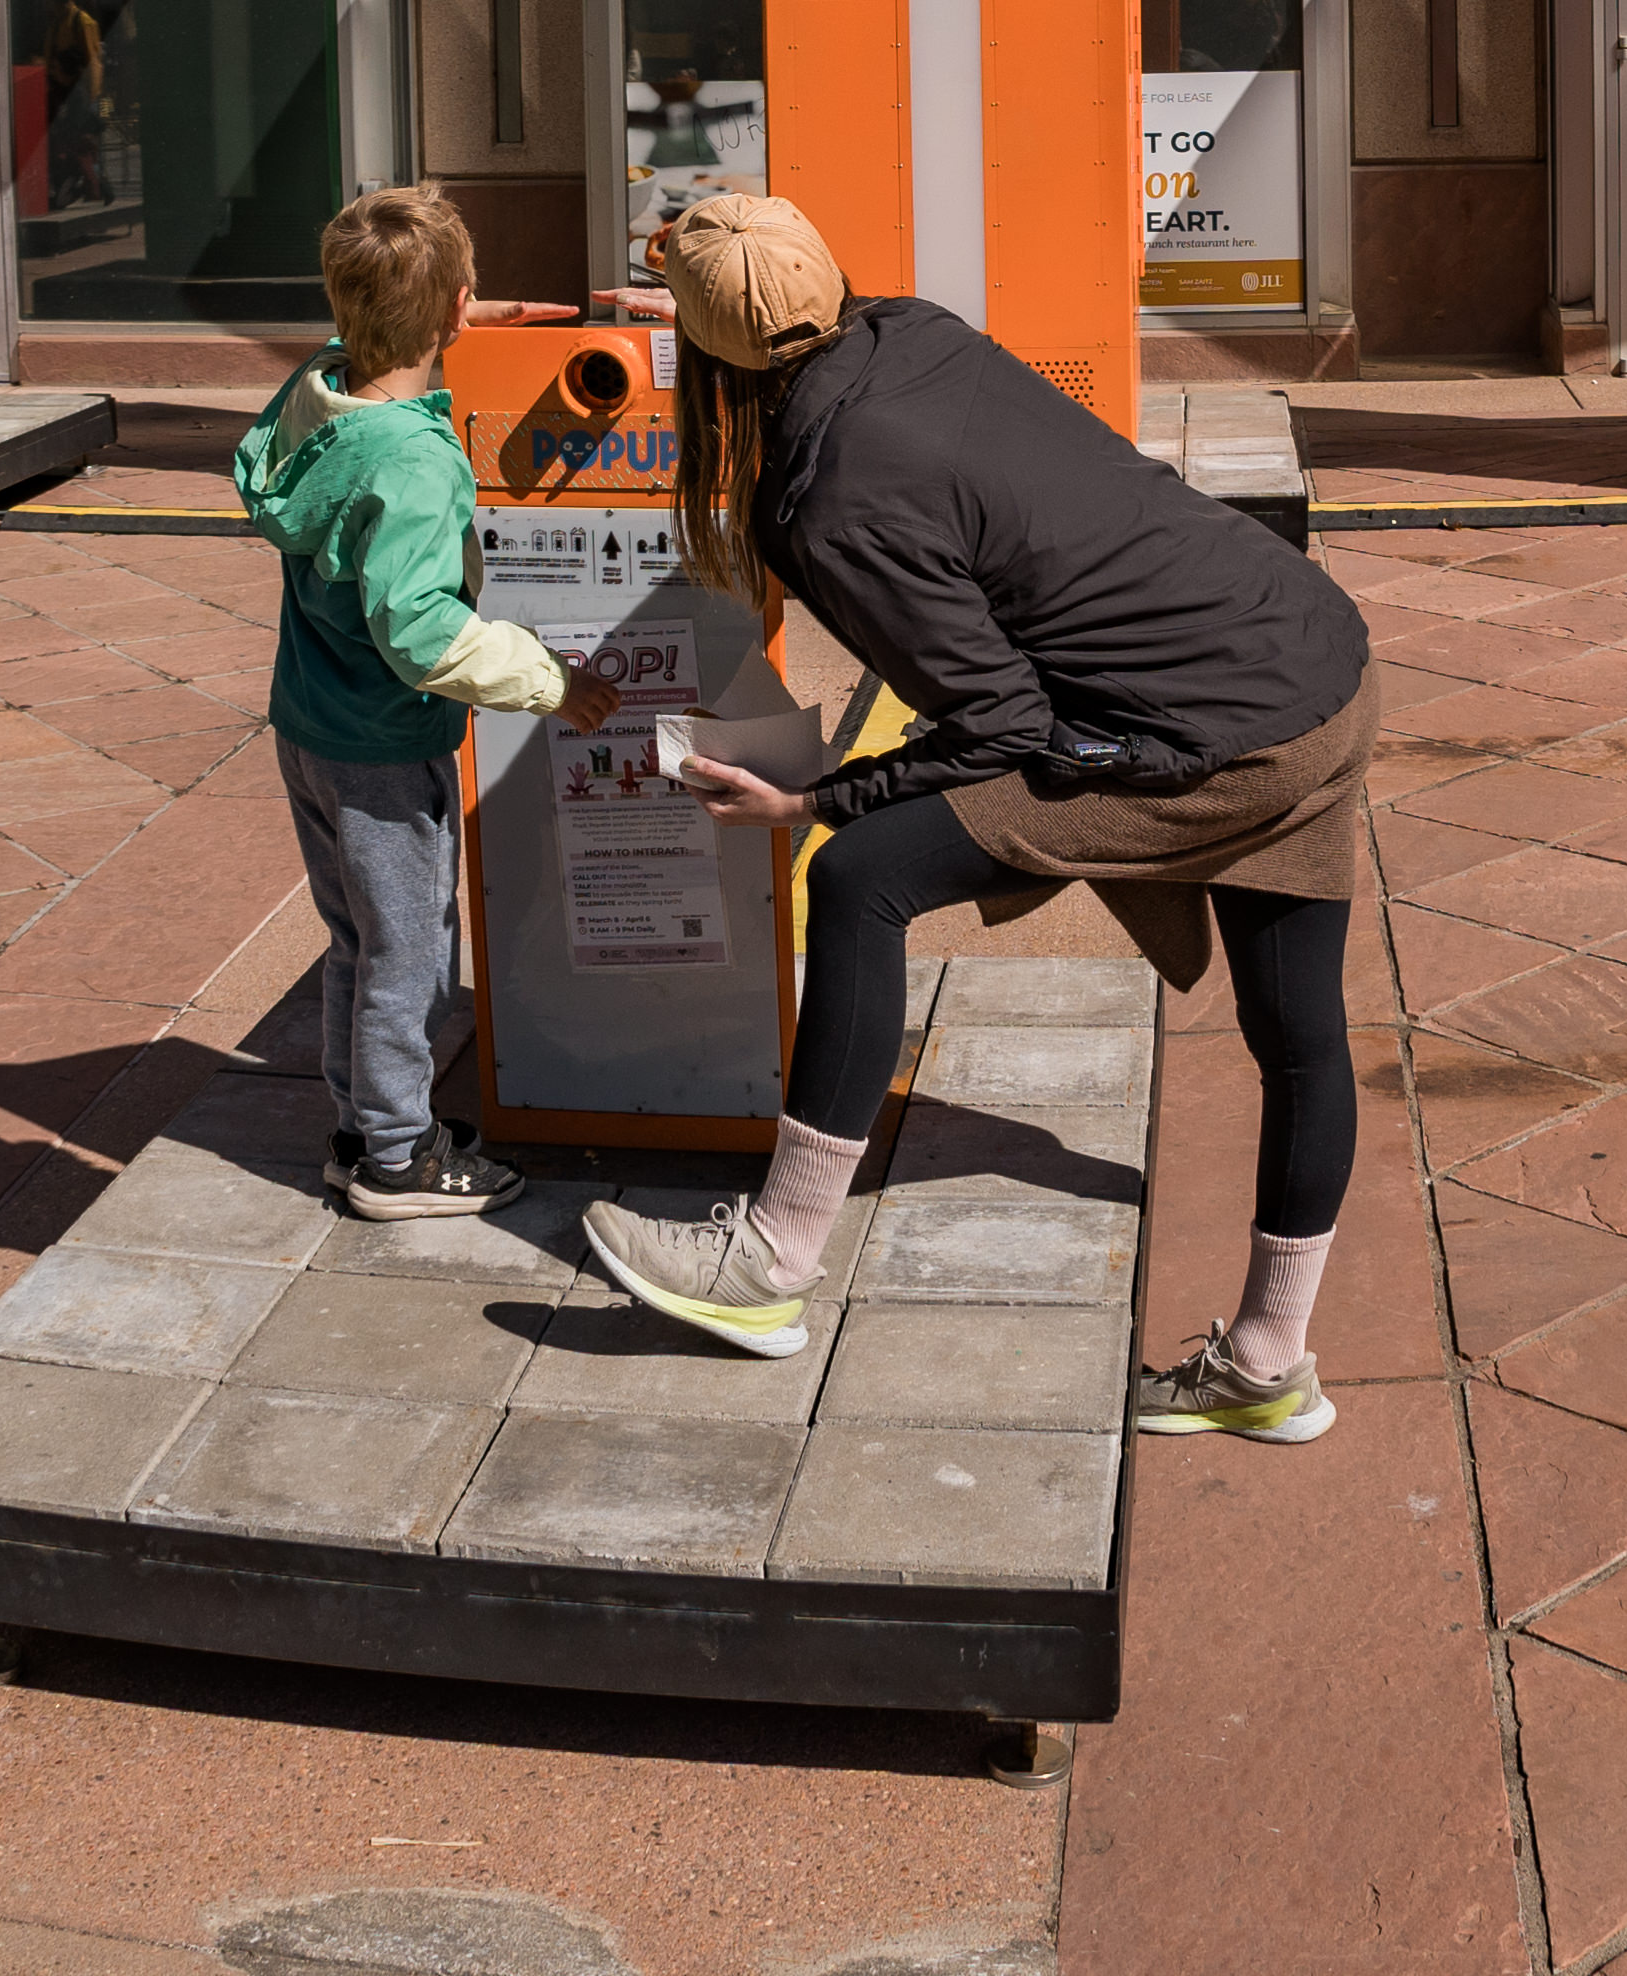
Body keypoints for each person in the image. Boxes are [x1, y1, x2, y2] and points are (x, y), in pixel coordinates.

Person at [579, 194, 1382, 1444]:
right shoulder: (908, 326)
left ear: (711, 360)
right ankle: (1270, 1364)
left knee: (863, 876)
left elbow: (1001, 722)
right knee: (1296, 1033)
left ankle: (773, 1259)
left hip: (1217, 740)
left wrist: (806, 800)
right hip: (1310, 655)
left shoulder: (826, 499)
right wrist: (720, 309)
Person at [233, 182, 571, 1218]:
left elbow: (316, 394)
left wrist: (437, 316)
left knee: (355, 939)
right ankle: (398, 1158)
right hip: (384, 747)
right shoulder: (417, 461)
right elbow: (422, 631)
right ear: (459, 311)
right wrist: (551, 679)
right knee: (410, 953)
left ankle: (360, 1125)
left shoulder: (321, 397)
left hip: (308, 730)